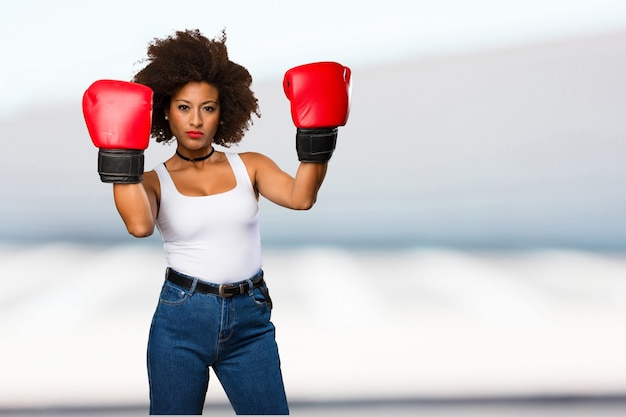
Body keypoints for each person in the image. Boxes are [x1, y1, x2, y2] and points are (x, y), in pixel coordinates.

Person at [82, 29, 351, 415]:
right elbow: (139, 225)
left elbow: (301, 197)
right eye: (183, 107)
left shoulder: (250, 165)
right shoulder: (153, 180)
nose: (195, 119)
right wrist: (119, 152)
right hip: (181, 320)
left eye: (207, 107)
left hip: (249, 319)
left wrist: (318, 131)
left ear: (223, 111)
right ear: (165, 112)